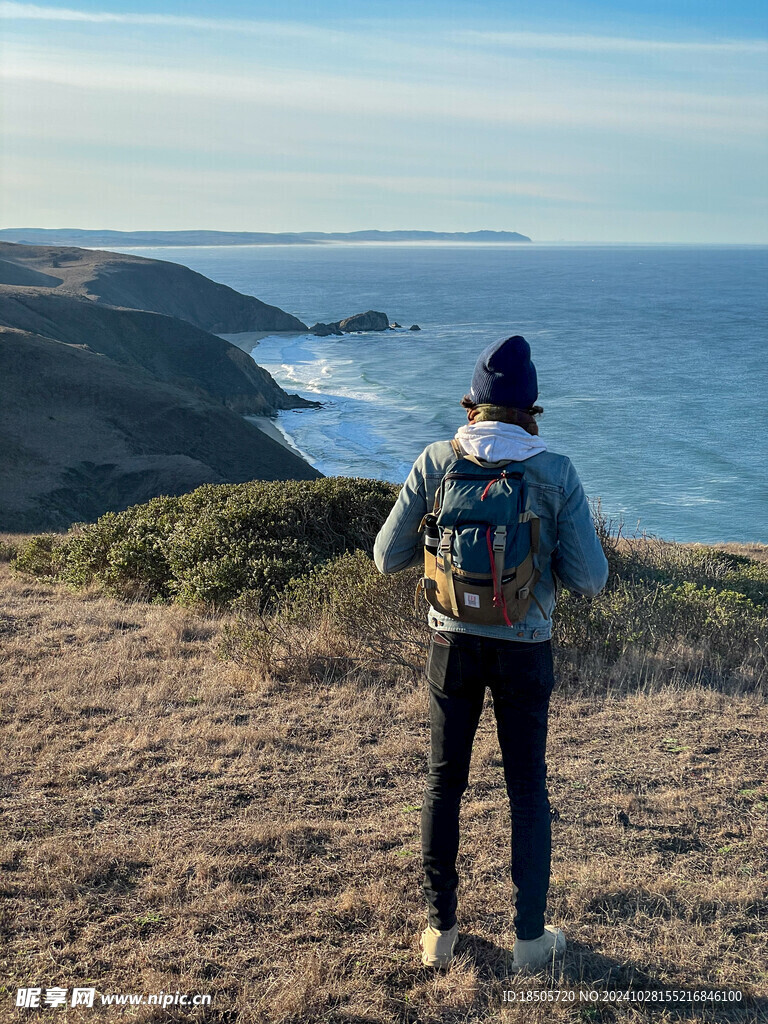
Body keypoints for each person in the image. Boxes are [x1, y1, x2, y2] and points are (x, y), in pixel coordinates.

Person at [373, 335, 609, 971]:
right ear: (531, 408)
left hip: (450, 642)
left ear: (471, 403)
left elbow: (385, 556)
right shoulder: (554, 471)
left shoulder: (436, 460)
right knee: (526, 788)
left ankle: (439, 931)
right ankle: (530, 939)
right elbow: (590, 578)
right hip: (526, 646)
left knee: (443, 782)